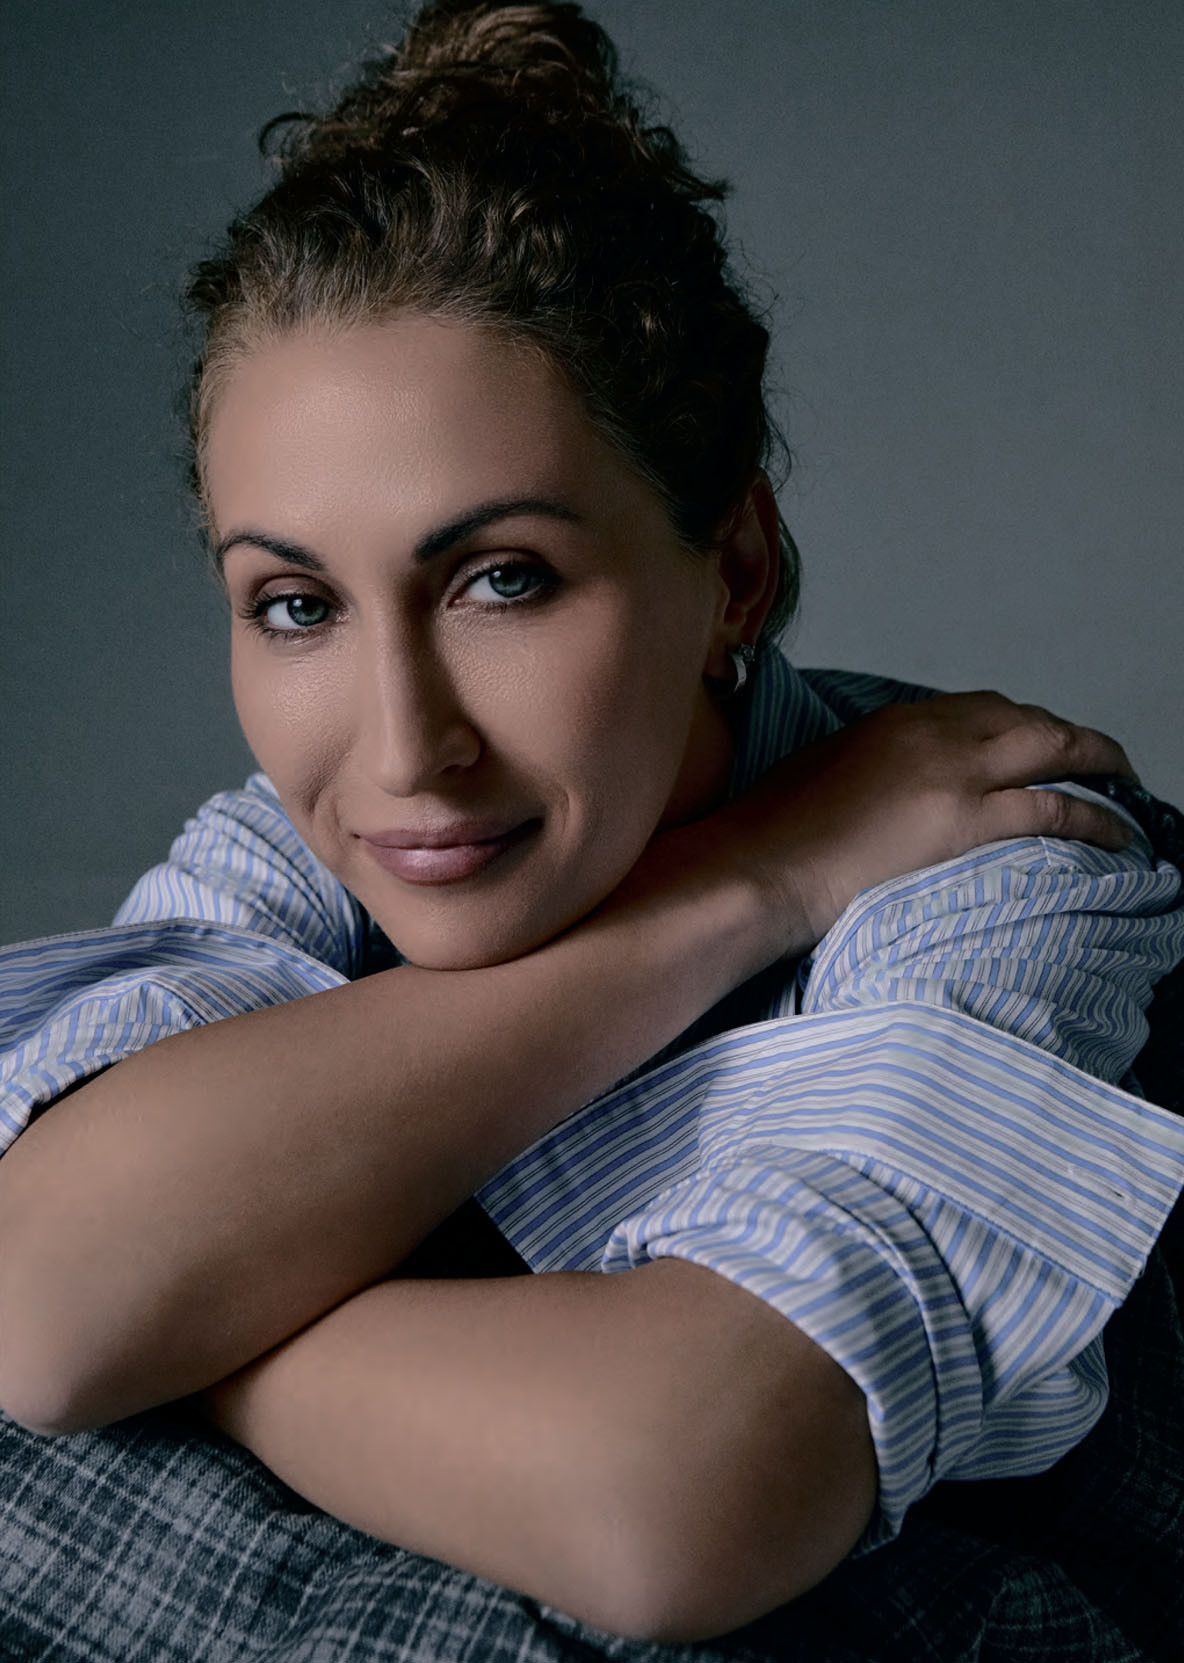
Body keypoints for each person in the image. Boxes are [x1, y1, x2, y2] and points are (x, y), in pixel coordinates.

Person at [1, 1, 1182, 1654]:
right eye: (295, 606)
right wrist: (750, 883)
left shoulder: (1002, 854)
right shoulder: (307, 842)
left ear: (736, 572)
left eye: (503, 581)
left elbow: (670, 1499)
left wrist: (196, 1323)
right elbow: (50, 1296)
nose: (403, 749)